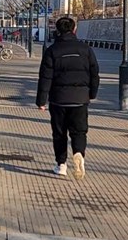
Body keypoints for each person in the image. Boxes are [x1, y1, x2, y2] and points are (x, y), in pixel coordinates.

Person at [36, 16, 99, 178]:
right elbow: (94, 74)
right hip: (80, 99)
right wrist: (92, 94)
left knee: (59, 133)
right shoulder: (86, 49)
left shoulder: (52, 51)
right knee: (79, 131)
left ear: (57, 30)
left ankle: (61, 164)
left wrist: (41, 101)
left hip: (58, 99)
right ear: (74, 29)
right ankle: (79, 153)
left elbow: (45, 77)